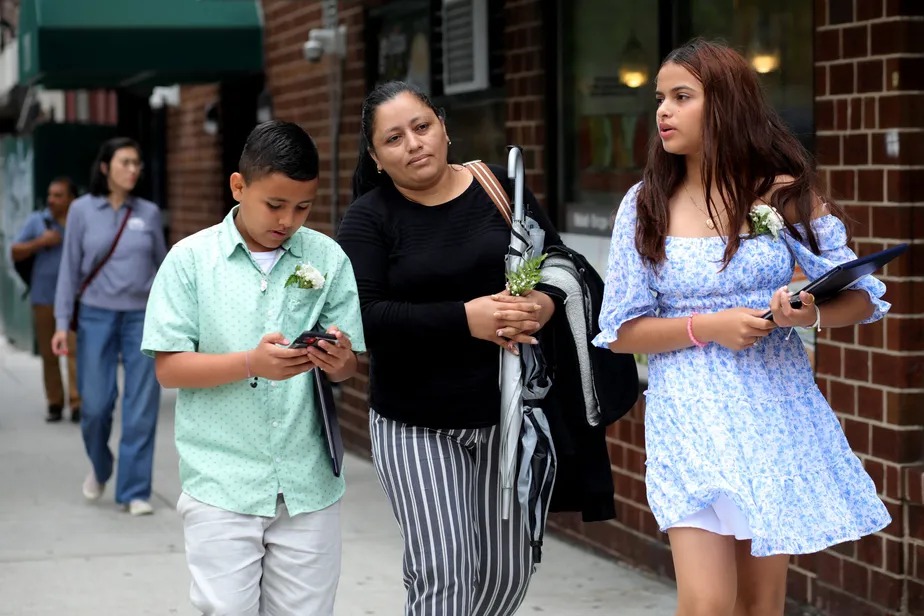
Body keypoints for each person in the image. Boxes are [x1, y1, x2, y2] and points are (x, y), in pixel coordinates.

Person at [593, 39, 891, 616]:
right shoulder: (646, 202)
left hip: (772, 411)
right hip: (691, 414)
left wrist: (811, 313)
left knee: (760, 604)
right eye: (660, 98)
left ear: (726, 104)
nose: (663, 111)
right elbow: (621, 330)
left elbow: (860, 297)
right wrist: (710, 327)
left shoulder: (783, 194)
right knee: (706, 604)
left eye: (682, 97)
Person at [337, 80, 561, 616]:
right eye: (394, 139)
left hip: (504, 415)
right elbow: (363, 318)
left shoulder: (498, 187)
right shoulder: (369, 218)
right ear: (376, 156)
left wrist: (544, 305)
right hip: (414, 422)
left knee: (508, 573)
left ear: (443, 125)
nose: (414, 144)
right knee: (446, 572)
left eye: (422, 126)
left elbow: (555, 262)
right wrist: (467, 318)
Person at [142, 120, 365, 615]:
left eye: (303, 207)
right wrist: (250, 362)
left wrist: (338, 360)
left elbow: (349, 369)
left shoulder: (327, 257)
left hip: (309, 484)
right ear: (238, 187)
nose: (288, 219)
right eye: (275, 204)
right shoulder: (189, 260)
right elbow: (169, 368)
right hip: (222, 481)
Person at [52, 138, 167, 516]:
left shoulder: (148, 213)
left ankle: (134, 491)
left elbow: (163, 270)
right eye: (125, 162)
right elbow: (68, 270)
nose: (133, 170)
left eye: (137, 163)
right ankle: (101, 467)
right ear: (105, 167)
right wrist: (60, 322)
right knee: (96, 407)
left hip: (141, 318)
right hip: (95, 315)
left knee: (140, 407)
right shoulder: (82, 211)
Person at [11, 177, 81, 423]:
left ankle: (76, 402)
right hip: (43, 297)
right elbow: (15, 251)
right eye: (50, 195)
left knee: (74, 352)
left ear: (71, 198)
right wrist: (41, 242)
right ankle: (54, 402)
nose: (52, 200)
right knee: (49, 355)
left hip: (74, 300)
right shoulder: (38, 221)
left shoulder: (79, 222)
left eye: (58, 195)